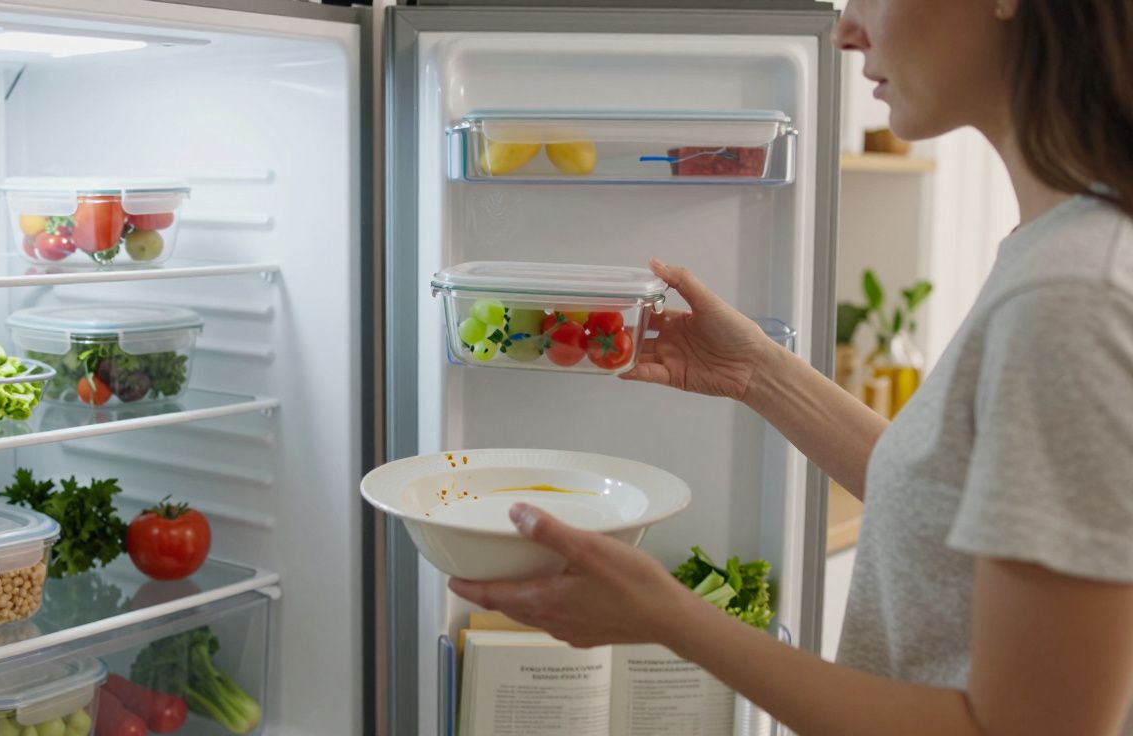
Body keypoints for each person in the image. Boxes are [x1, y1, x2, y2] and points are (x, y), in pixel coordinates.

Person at [448, 1, 1133, 733]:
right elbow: (949, 504)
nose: (844, 29)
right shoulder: (1058, 250)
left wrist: (669, 617)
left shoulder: (1071, 295)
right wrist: (760, 376)